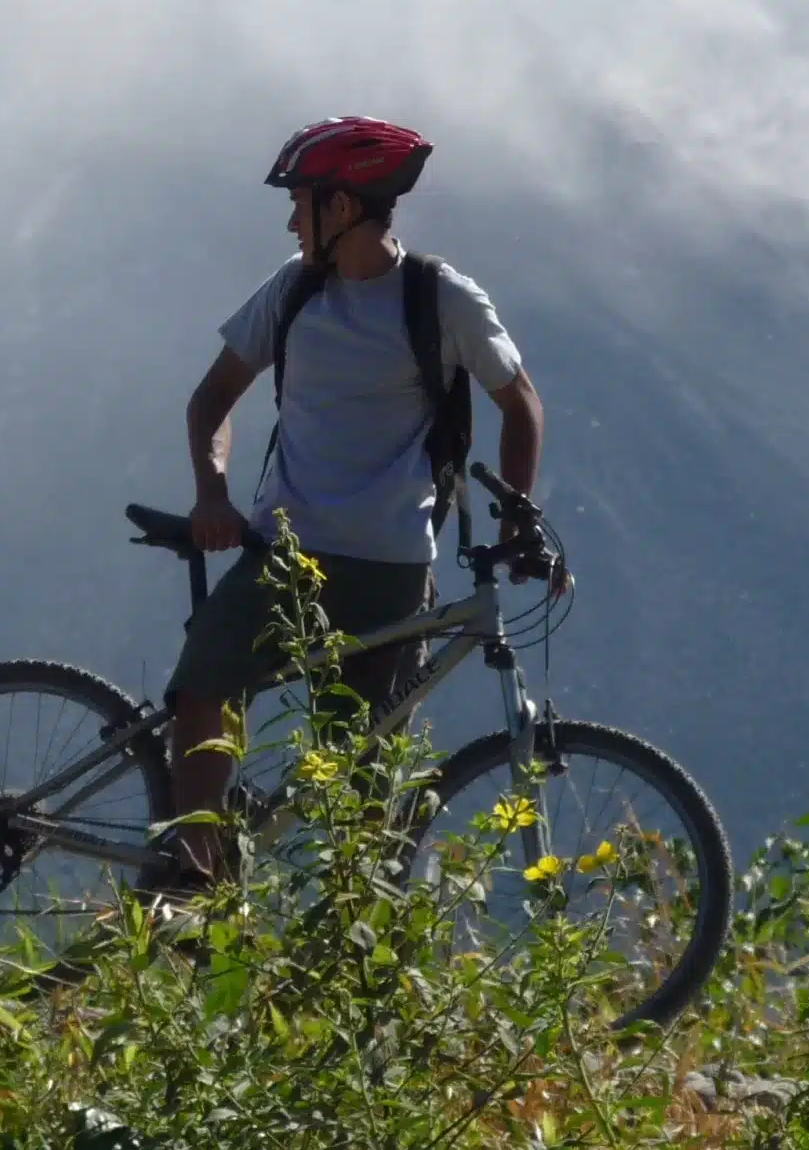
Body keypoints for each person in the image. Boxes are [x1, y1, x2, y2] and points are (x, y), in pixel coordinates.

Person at [147, 116, 547, 895]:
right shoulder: (292, 291)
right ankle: (190, 890)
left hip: (391, 571)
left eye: (302, 202)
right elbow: (210, 402)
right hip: (284, 553)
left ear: (344, 207)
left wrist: (516, 515)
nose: (291, 219)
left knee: (359, 775)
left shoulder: (440, 298)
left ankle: (340, 952)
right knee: (203, 689)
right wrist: (212, 492)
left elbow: (521, 404)